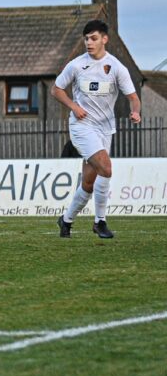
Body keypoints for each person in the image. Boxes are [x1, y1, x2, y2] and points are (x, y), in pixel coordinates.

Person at [52, 19, 140, 239]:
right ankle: (100, 222)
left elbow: (133, 98)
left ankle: (66, 220)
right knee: (107, 168)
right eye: (86, 39)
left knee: (89, 184)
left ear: (104, 39)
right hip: (81, 127)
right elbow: (56, 89)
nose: (89, 43)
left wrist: (136, 111)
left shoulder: (117, 67)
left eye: (93, 38)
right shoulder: (76, 65)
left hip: (104, 129)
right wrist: (73, 106)